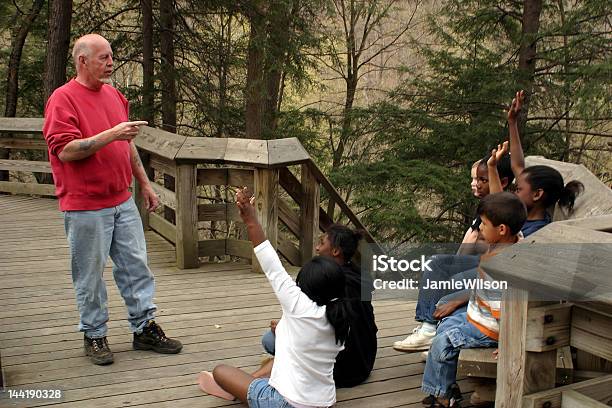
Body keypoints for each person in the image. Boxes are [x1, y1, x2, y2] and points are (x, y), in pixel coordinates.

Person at [42, 34, 182, 365]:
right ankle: (94, 335)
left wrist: (144, 184)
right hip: (85, 205)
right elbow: (66, 150)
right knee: (90, 274)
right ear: (82, 61)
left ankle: (144, 328)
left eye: (111, 56)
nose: (110, 63)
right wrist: (112, 134)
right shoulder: (63, 100)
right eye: (103, 58)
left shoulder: (114, 96)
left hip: (122, 200)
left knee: (136, 267)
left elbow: (127, 145)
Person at [198, 188, 352, 407]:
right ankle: (255, 382)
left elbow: (270, 261)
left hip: (284, 403)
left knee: (221, 372)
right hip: (325, 402)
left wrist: (250, 218)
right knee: (281, 357)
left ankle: (241, 391)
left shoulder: (299, 305)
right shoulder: (341, 315)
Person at [392, 155, 514, 352]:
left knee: (450, 278)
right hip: (481, 264)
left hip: (492, 272)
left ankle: (436, 333)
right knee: (436, 264)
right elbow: (470, 241)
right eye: (474, 179)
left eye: (482, 179)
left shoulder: (505, 209)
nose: (476, 184)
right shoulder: (486, 209)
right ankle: (429, 328)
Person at [421, 191, 528, 407]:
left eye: (484, 224)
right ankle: (444, 385)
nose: (479, 228)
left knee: (445, 341)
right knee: (444, 326)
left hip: (491, 328)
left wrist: (509, 342)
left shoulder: (503, 266)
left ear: (501, 229)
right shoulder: (508, 242)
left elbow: (506, 309)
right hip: (479, 314)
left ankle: (443, 395)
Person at [261, 224, 378, 387]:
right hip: (364, 361)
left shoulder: (330, 283)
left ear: (336, 251)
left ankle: (263, 377)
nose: (316, 248)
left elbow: (316, 327)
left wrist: (284, 328)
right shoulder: (357, 275)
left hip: (339, 370)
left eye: (322, 243)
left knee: (269, 340)